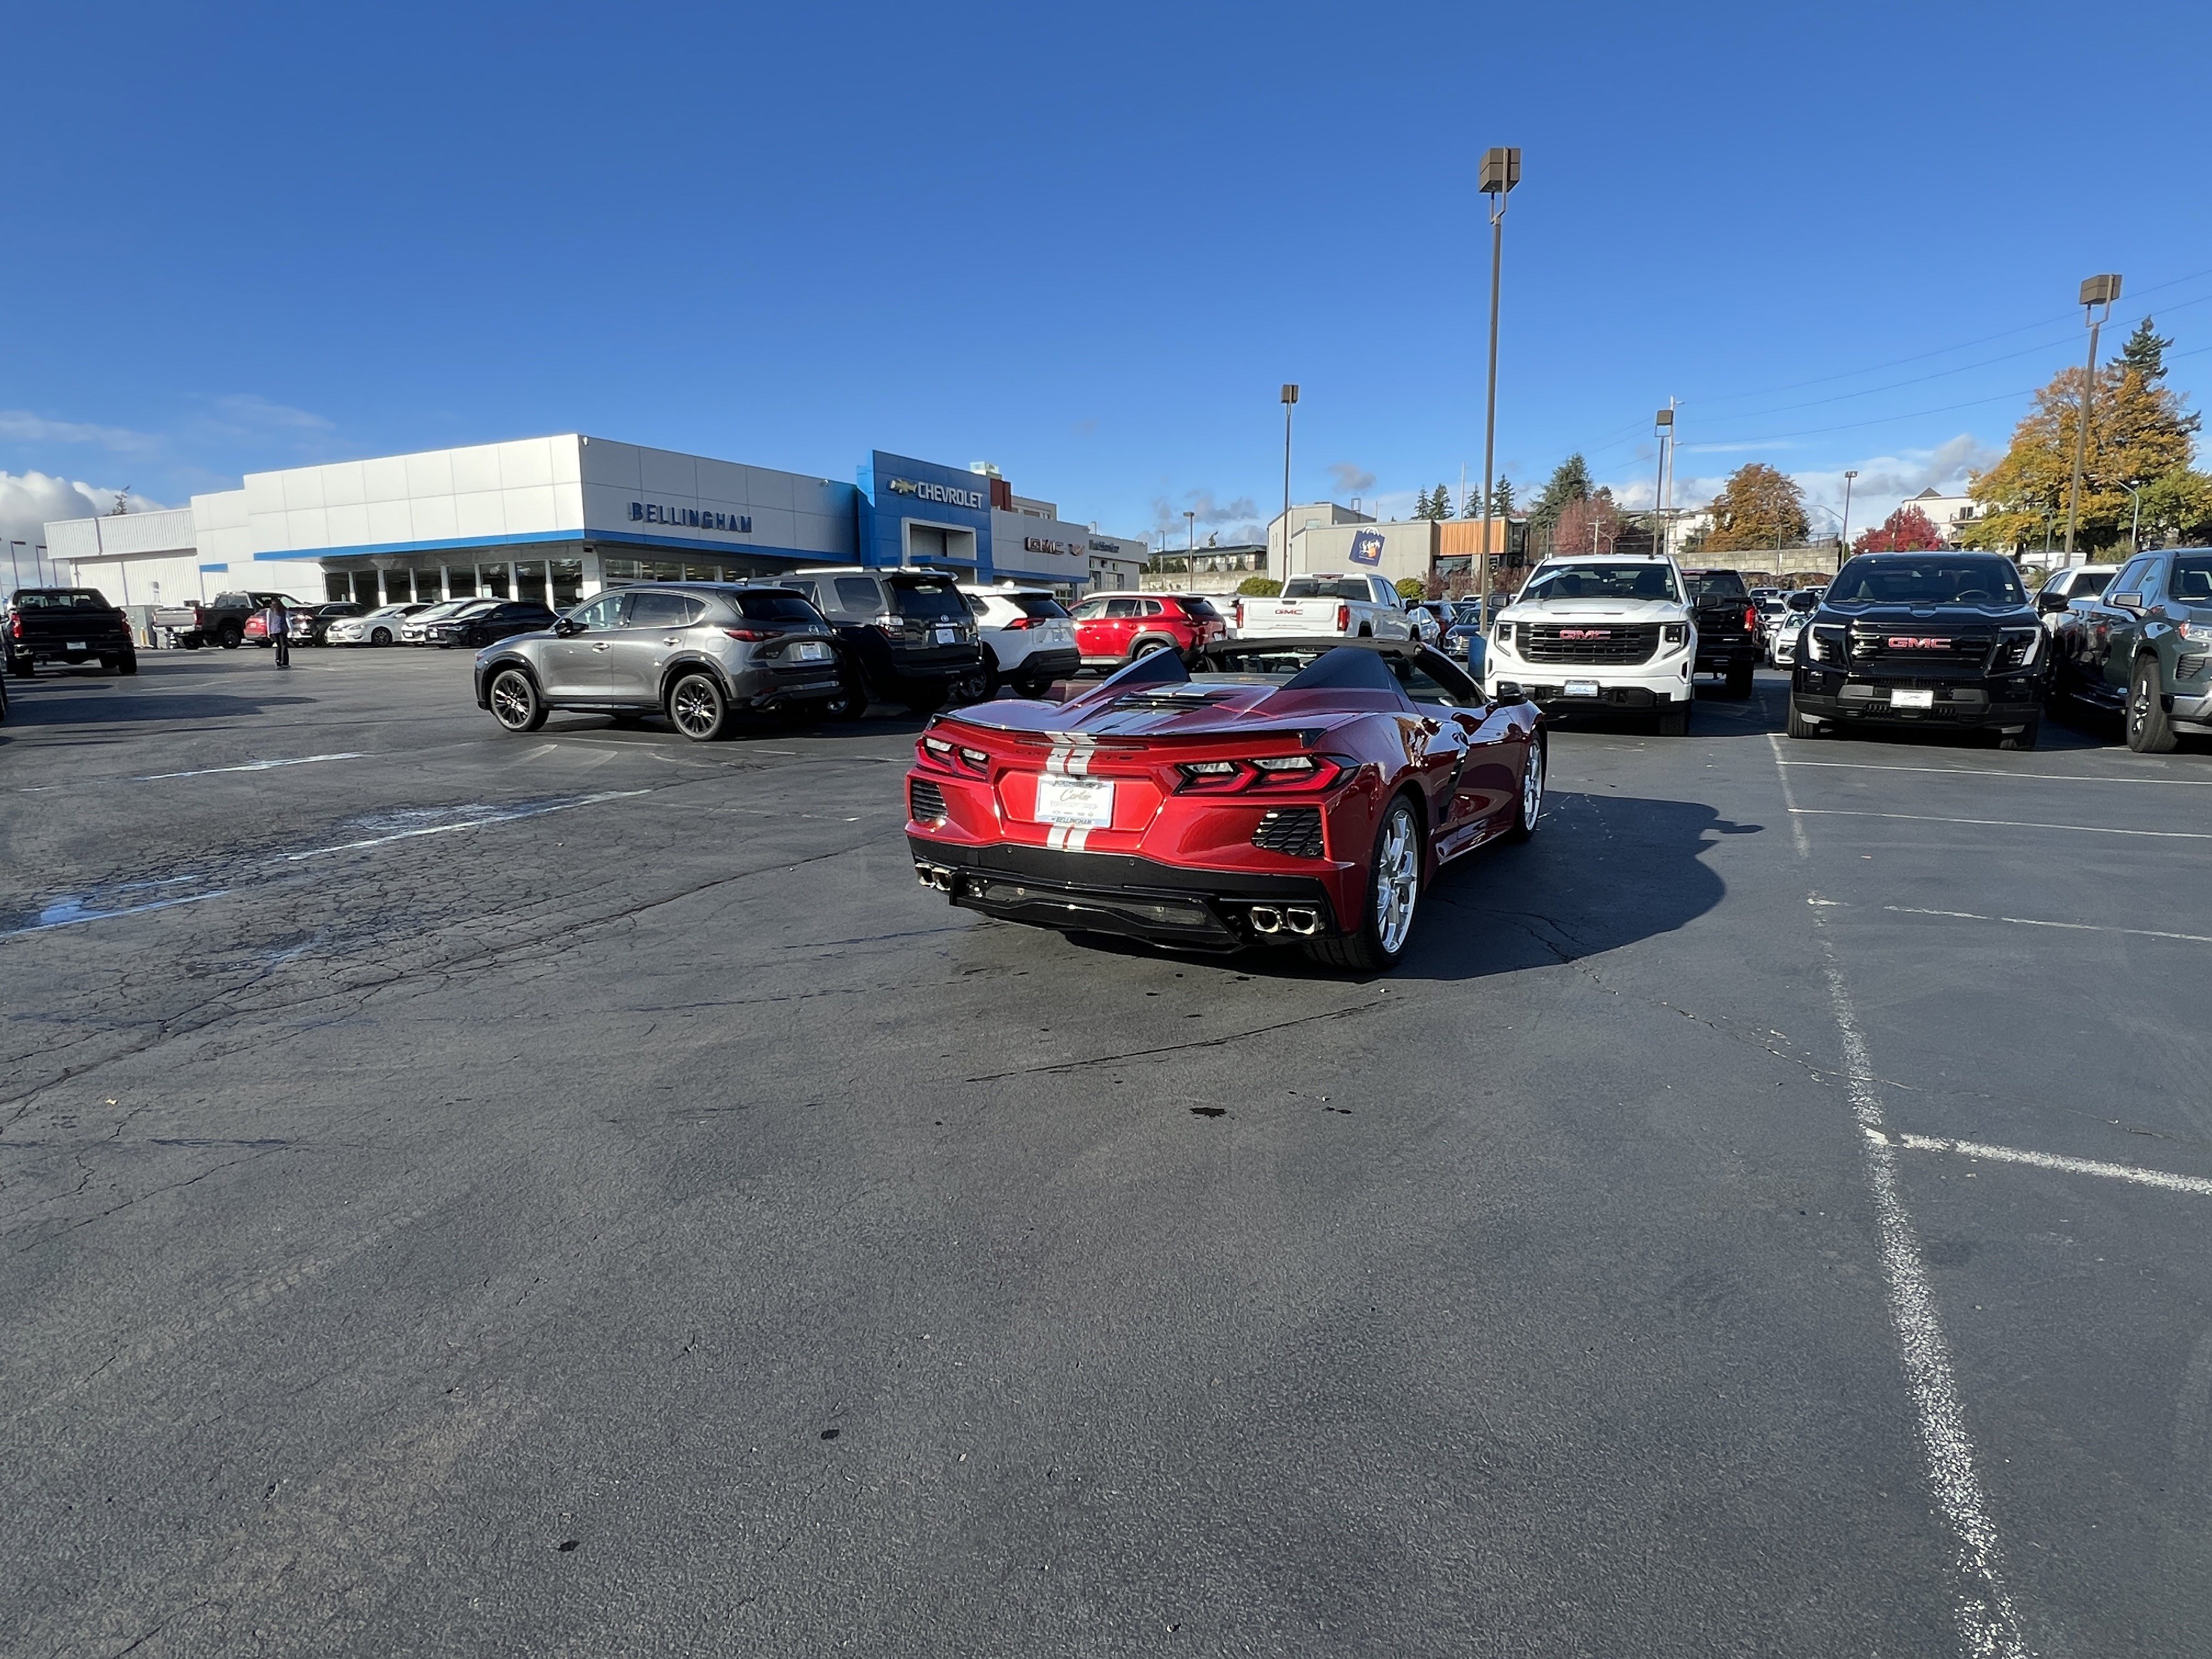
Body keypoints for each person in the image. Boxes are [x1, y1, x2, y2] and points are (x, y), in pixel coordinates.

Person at [266, 599, 291, 668]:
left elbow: (268, 622)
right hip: (282, 630)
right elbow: (288, 620)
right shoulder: (284, 611)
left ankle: (278, 661)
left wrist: (269, 632)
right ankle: (285, 662)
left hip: (274, 631)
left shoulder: (269, 611)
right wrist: (291, 629)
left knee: (278, 646)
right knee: (284, 646)